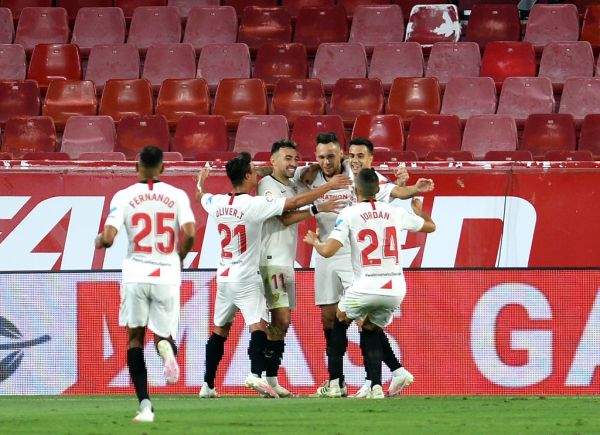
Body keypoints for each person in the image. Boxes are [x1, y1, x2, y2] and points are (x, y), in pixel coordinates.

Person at [196, 151, 351, 398]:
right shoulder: (254, 205)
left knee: (219, 330)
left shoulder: (216, 203)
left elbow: (200, 195)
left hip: (223, 277)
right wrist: (327, 189)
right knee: (258, 326)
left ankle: (207, 385)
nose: (257, 174)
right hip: (246, 277)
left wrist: (201, 181)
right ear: (247, 176)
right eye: (253, 171)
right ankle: (255, 375)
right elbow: (290, 205)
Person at [304, 168, 435, 398]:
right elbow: (430, 227)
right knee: (370, 328)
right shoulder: (395, 212)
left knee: (340, 321)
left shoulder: (350, 213)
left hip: (365, 286)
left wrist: (315, 241)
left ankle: (334, 383)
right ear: (378, 189)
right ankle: (375, 386)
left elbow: (328, 251)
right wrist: (420, 212)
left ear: (355, 190)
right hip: (395, 288)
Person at [95, 146, 196, 422]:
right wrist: (179, 258)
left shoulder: (124, 196)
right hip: (167, 273)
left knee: (135, 340)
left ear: (135, 167)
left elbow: (110, 236)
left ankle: (145, 406)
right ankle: (166, 352)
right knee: (163, 335)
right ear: (163, 168)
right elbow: (189, 232)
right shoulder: (177, 195)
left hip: (136, 273)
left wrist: (100, 240)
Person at [347, 136, 435, 397]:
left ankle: (372, 381)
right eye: (352, 155)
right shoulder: (340, 176)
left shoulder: (377, 182)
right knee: (367, 324)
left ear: (371, 160)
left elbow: (398, 191)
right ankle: (394, 373)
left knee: (363, 323)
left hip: (373, 266)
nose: (355, 159)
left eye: (361, 155)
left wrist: (412, 188)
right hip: (357, 260)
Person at [257, 140, 345, 397]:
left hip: (285, 261)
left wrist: (314, 169)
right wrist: (318, 205)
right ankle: (261, 376)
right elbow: (284, 217)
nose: (293, 163)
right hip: (270, 260)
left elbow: (311, 172)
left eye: (295, 158)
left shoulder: (293, 182)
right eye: (287, 158)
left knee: (280, 323)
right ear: (273, 161)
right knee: (279, 319)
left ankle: (270, 381)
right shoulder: (267, 186)